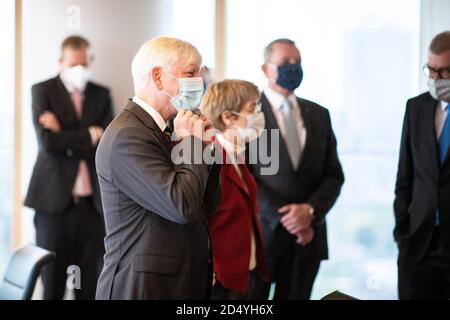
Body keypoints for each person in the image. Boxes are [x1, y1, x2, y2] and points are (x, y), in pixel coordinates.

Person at [95, 36, 221, 300]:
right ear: (158, 77)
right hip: (144, 288)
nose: (200, 81)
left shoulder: (168, 128)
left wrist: (206, 146)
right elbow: (181, 206)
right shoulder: (127, 135)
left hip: (179, 281)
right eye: (190, 73)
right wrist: (191, 143)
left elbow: (205, 205)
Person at [248, 38, 345, 300]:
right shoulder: (247, 113)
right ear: (266, 69)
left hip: (308, 239)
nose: (294, 67)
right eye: (285, 62)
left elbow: (334, 174)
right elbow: (243, 175)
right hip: (263, 238)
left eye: (297, 62)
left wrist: (309, 212)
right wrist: (287, 218)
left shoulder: (319, 114)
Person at [25, 35, 114, 300]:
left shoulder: (101, 94)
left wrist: (64, 133)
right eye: (74, 64)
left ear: (91, 61)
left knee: (87, 286)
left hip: (92, 207)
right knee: (51, 284)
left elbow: (106, 144)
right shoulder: (42, 90)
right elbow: (47, 143)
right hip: (53, 206)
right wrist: (89, 134)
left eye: (84, 64)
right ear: (60, 61)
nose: (80, 70)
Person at [394, 31, 450, 300]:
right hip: (418, 244)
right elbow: (404, 176)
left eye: (444, 72)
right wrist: (401, 229)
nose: (436, 79)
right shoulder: (415, 108)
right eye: (431, 70)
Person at [201, 80, 269, 300]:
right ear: (228, 117)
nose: (259, 114)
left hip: (246, 270)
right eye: (252, 108)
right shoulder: (210, 158)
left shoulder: (238, 153)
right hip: (222, 278)